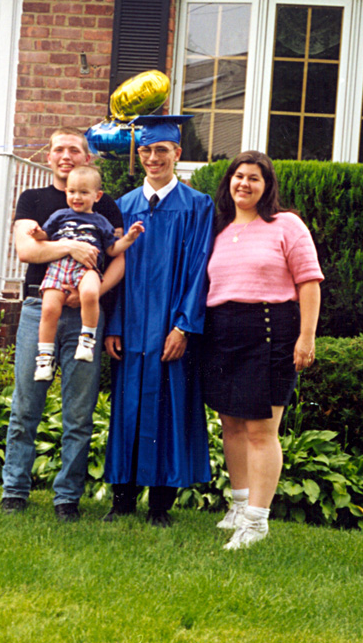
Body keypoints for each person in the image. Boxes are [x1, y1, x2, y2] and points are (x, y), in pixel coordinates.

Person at [0, 127, 125, 522]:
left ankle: (67, 497)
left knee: (79, 411)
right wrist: (71, 247)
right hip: (41, 309)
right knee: (26, 405)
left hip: (86, 310)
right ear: (48, 156)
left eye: (74, 149)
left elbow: (117, 258)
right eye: (58, 150)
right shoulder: (34, 199)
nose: (66, 155)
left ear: (88, 157)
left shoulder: (106, 205)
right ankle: (14, 490)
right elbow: (26, 248)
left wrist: (92, 291)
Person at [202, 151, 324, 550]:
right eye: (239, 176)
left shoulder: (285, 224)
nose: (245, 184)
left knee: (261, 429)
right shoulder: (218, 229)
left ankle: (257, 521)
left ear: (267, 186)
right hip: (223, 331)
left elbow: (309, 282)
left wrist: (307, 337)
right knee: (232, 424)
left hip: (271, 331)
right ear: (229, 183)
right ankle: (238, 506)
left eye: (255, 178)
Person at [103, 115, 215, 527]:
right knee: (128, 408)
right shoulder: (123, 206)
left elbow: (201, 269)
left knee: (170, 407)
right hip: (130, 328)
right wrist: (112, 324)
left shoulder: (197, 206)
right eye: (146, 151)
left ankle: (160, 505)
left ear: (177, 154)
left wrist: (184, 326)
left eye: (161, 151)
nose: (153, 158)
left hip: (171, 327)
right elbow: (112, 273)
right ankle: (122, 500)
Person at [29, 165, 144, 381]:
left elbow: (112, 250)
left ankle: (87, 340)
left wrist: (129, 238)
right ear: (66, 193)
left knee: (91, 293)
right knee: (49, 309)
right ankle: (44, 358)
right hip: (58, 267)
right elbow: (45, 236)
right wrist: (37, 234)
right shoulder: (59, 215)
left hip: (87, 267)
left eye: (84, 192)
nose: (77, 197)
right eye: (72, 191)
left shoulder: (101, 221)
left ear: (97, 195)